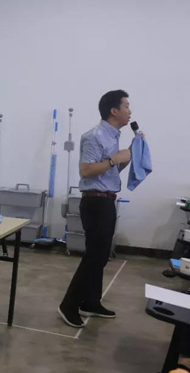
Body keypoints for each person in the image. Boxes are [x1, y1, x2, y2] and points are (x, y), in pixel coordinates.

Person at [58, 90, 138, 328]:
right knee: (94, 256)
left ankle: (90, 302)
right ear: (114, 111)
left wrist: (125, 158)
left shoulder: (113, 136)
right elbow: (86, 171)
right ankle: (69, 305)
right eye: (126, 106)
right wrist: (114, 159)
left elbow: (108, 172)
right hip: (95, 202)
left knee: (101, 255)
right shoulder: (95, 136)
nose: (130, 111)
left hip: (106, 200)